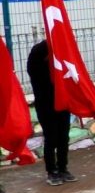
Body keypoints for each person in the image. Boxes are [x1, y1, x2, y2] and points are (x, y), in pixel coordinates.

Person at [27, 41, 75, 185]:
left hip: (62, 104)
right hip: (46, 106)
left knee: (63, 138)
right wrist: (50, 44)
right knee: (51, 138)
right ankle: (51, 171)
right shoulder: (38, 57)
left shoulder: (60, 60)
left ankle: (63, 168)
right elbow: (34, 69)